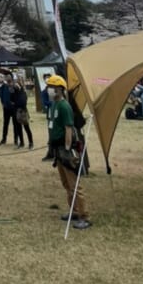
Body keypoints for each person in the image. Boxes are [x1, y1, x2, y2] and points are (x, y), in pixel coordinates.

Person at [46, 73, 91, 229]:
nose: (49, 90)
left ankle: (84, 216)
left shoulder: (65, 106)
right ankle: (74, 211)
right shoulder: (53, 105)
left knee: (74, 184)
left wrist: (67, 148)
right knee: (66, 183)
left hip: (66, 150)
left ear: (60, 89)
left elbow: (68, 129)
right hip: (57, 149)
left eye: (51, 87)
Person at [12, 79, 34, 149]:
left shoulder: (23, 93)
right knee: (18, 128)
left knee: (26, 128)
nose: (16, 86)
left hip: (23, 111)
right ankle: (21, 142)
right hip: (16, 111)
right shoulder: (14, 93)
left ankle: (31, 143)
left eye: (17, 84)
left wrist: (16, 103)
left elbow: (22, 102)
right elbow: (11, 100)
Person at [0, 74, 15, 143]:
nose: (7, 78)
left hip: (13, 108)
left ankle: (16, 139)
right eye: (6, 77)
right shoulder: (4, 86)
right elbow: (1, 96)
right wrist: (3, 103)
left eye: (9, 77)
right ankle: (4, 138)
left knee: (15, 124)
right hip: (6, 108)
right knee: (5, 124)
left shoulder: (14, 86)